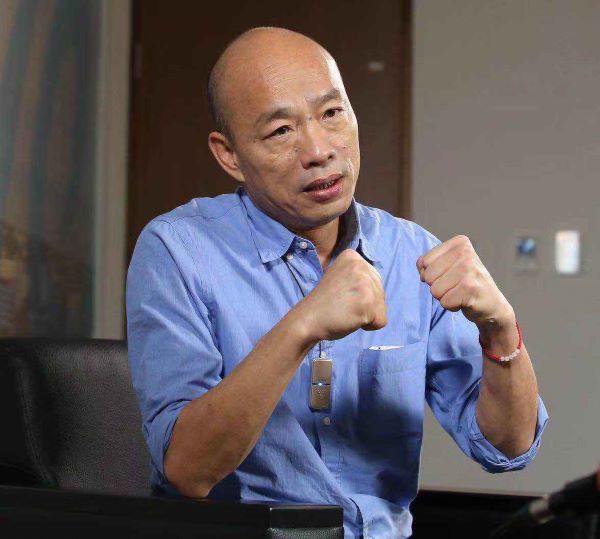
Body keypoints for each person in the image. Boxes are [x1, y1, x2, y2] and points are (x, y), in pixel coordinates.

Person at [126, 27, 548, 539]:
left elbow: (508, 448)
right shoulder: (178, 250)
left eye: (331, 113)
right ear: (229, 155)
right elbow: (187, 471)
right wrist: (301, 326)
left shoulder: (410, 252)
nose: (319, 150)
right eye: (281, 131)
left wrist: (501, 330)